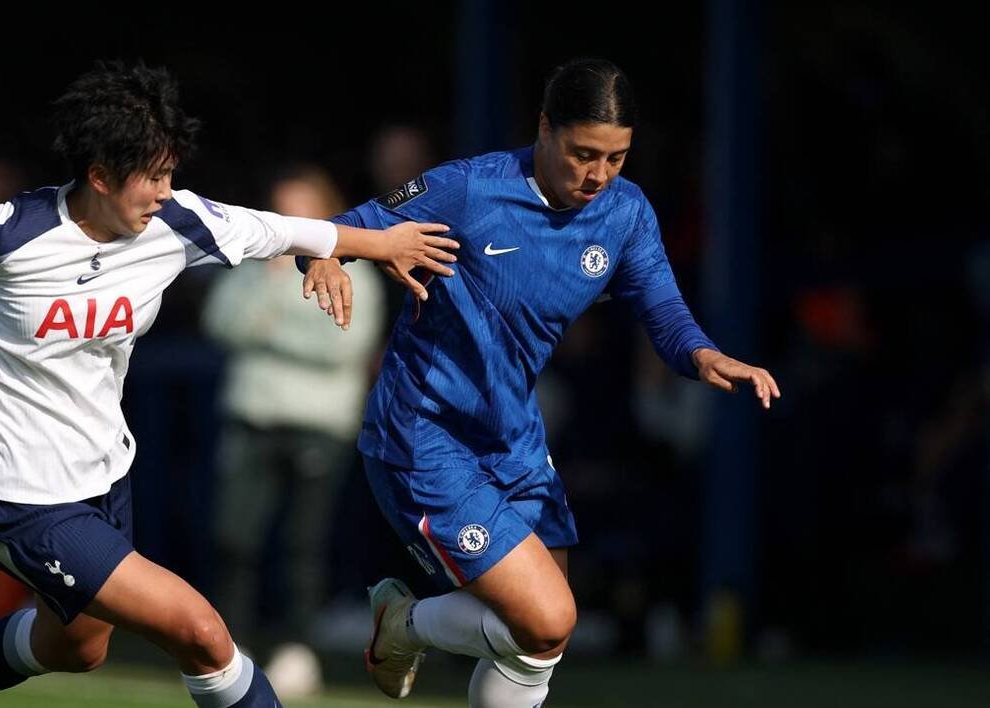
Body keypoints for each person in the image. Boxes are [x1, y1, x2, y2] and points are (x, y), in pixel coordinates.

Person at [0, 60, 458, 708]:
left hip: (105, 473)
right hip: (20, 491)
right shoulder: (3, 232)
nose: (166, 191)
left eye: (171, 172)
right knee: (201, 631)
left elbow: (284, 228)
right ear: (100, 177)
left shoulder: (175, 222)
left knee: (78, 647)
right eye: (152, 176)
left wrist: (366, 247)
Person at [299, 57, 781, 706]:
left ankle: (401, 624)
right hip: (424, 435)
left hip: (513, 438)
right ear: (545, 128)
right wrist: (326, 256)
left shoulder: (625, 213)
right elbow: (338, 229)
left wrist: (701, 355)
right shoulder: (469, 190)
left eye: (616, 158)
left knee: (537, 641)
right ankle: (405, 625)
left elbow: (661, 307)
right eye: (583, 153)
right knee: (550, 617)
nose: (598, 175)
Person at [202, 165, 386, 698]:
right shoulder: (254, 267)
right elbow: (220, 323)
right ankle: (227, 650)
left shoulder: (359, 273)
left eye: (302, 208)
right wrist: (276, 296)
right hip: (251, 418)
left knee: (303, 547)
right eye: (282, 208)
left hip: (318, 425)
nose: (290, 221)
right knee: (235, 538)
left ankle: (296, 651)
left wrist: (266, 332)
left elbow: (344, 347)